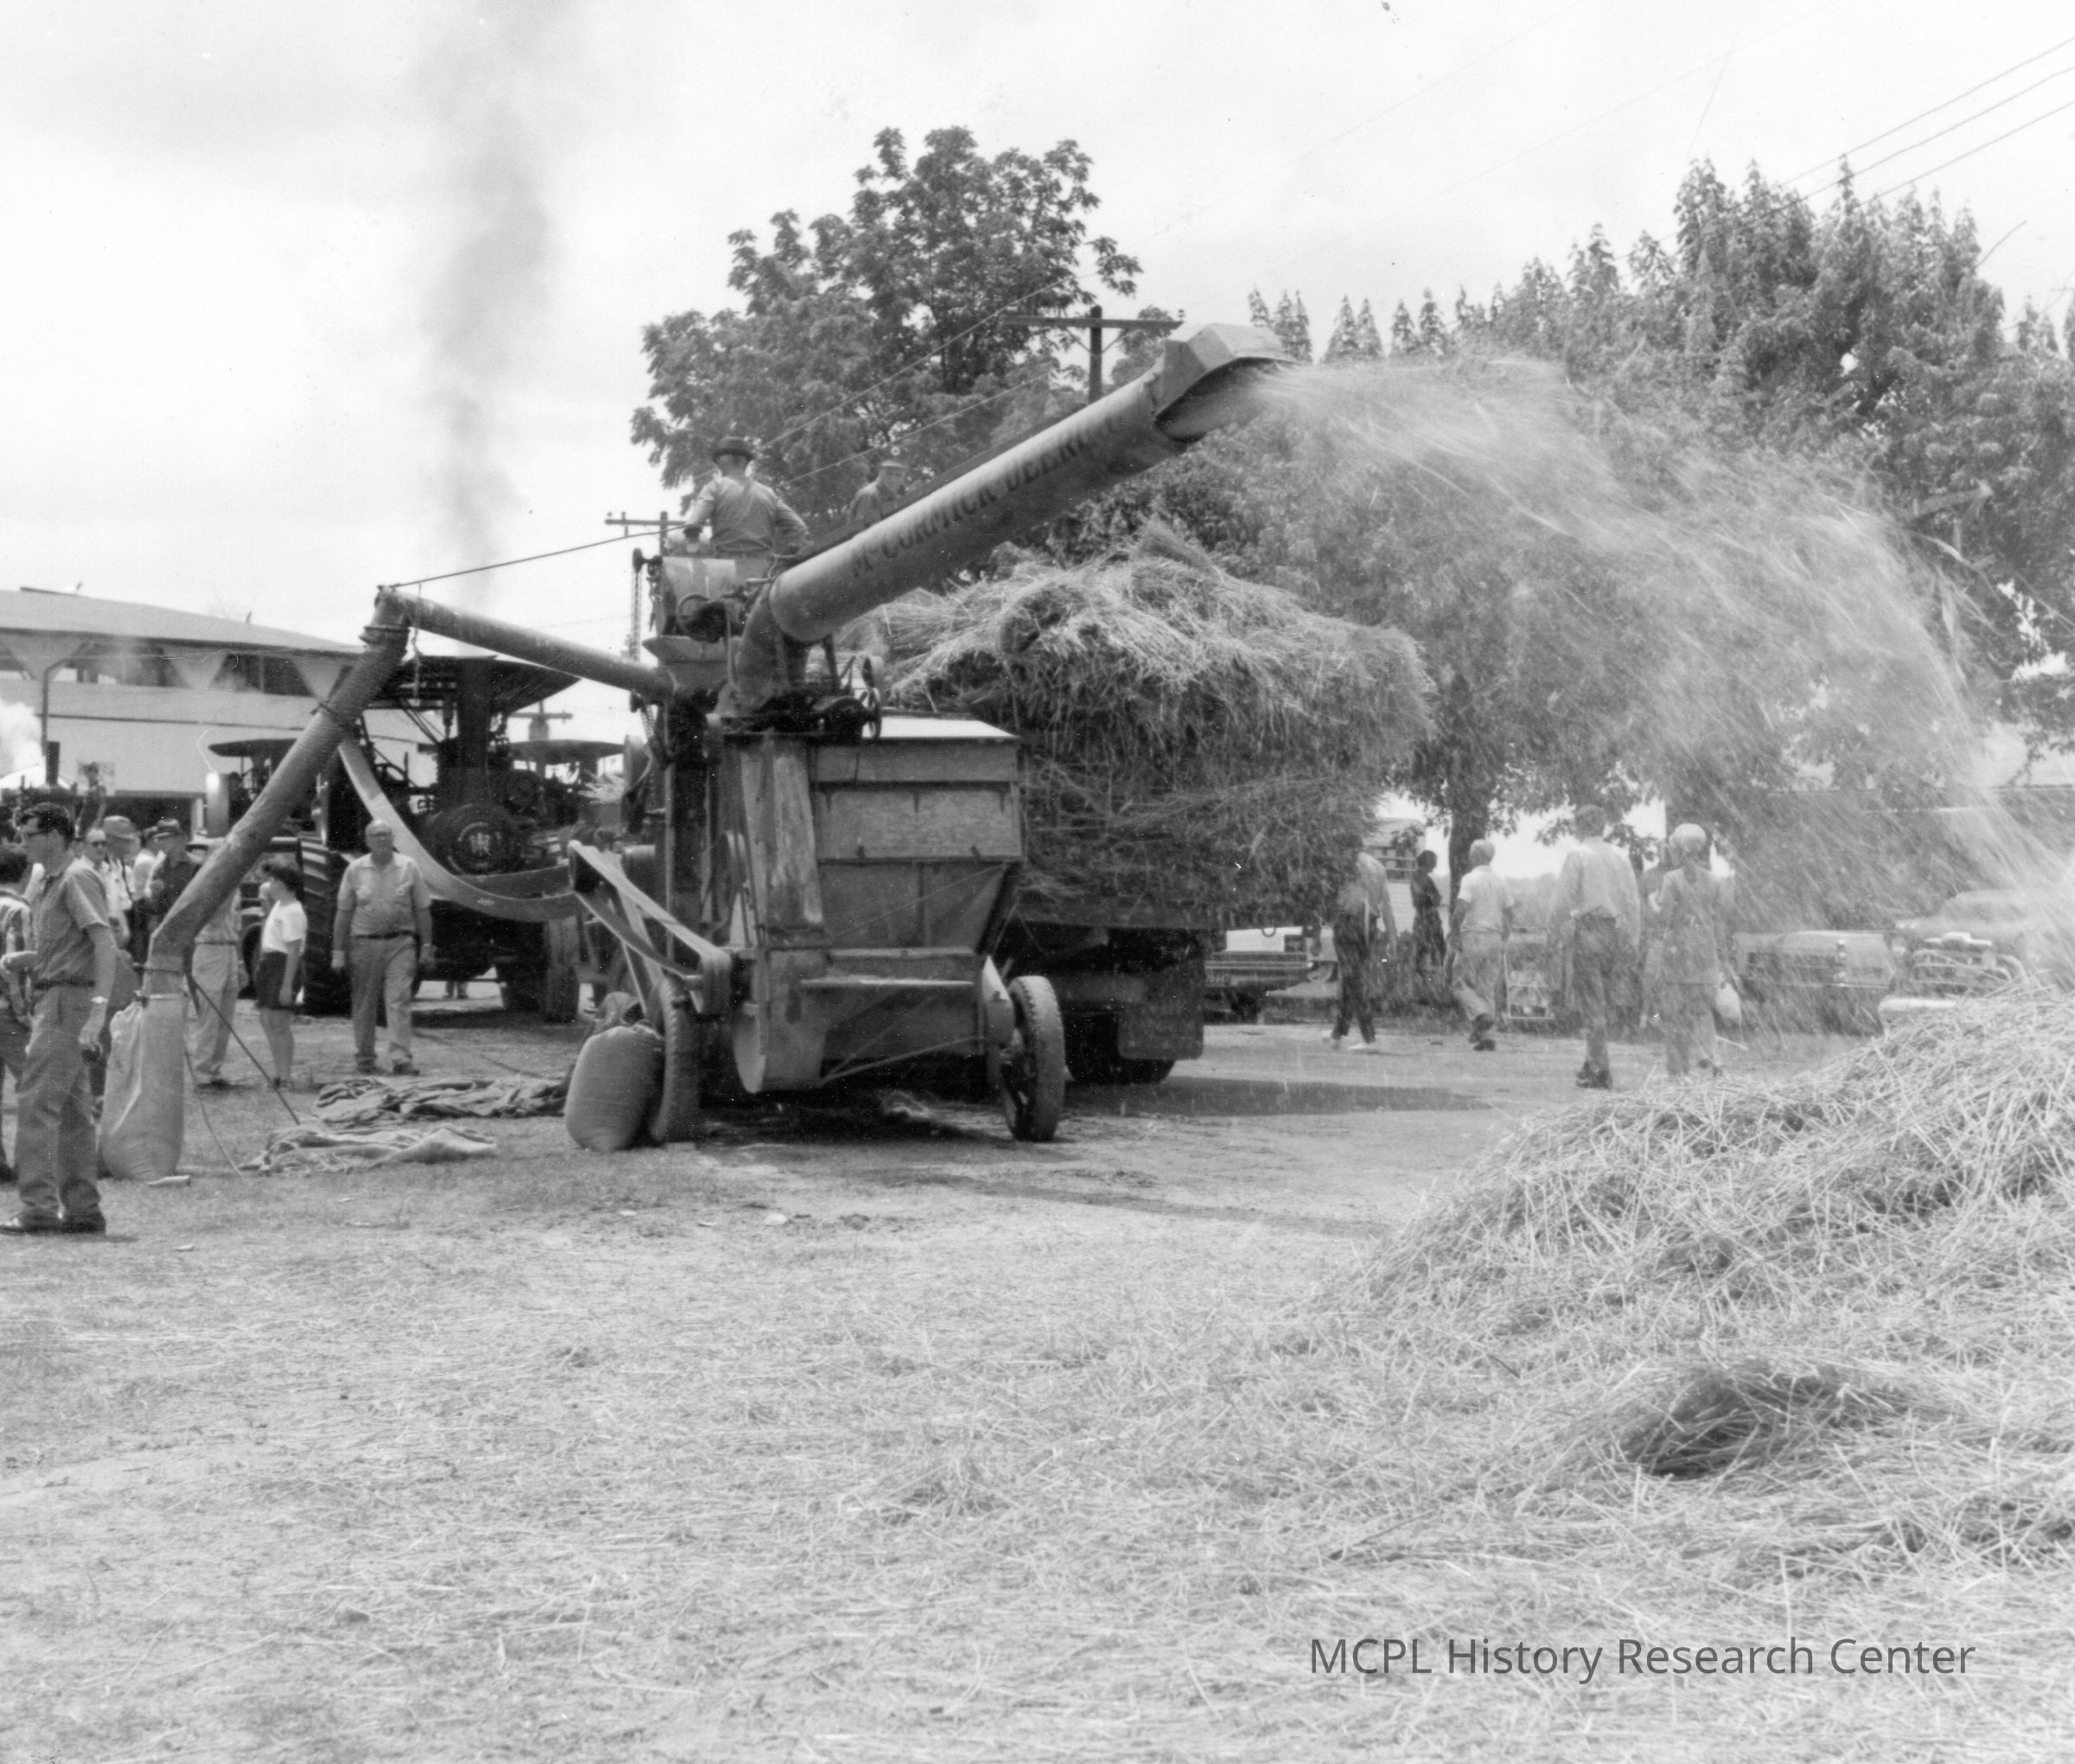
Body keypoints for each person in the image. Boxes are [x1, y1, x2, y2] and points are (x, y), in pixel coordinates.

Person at [1, 803, 117, 1237]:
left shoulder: (75, 878)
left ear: (54, 836)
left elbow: (104, 943)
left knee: (36, 1102)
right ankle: (83, 1208)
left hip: (68, 1001)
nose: (23, 842)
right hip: (58, 994)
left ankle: (38, 1208)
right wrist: (31, 958)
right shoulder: (52, 881)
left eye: (29, 834)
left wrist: (98, 1010)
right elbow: (76, 945)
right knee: (70, 1108)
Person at [332, 821, 435, 1076]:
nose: (381, 838)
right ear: (367, 840)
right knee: (364, 1003)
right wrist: (338, 953)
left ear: (393, 838)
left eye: (385, 834)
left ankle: (401, 1059)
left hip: (401, 944)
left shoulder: (409, 867)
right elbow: (343, 913)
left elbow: (422, 910)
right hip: (363, 944)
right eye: (375, 835)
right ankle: (365, 1058)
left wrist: (427, 947)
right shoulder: (355, 870)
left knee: (399, 1000)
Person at [1552, 803, 1642, 1091]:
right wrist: (1634, 938)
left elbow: (1562, 901)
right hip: (1613, 932)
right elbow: (1632, 901)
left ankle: (1600, 1069)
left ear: (1581, 826)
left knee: (1591, 1004)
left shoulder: (1578, 855)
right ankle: (1592, 1061)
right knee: (1603, 1002)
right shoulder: (1620, 855)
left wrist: (1554, 932)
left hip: (1588, 930)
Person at [676, 438, 810, 581]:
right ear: (745, 462)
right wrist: (791, 553)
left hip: (726, 570)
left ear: (721, 461)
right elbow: (799, 528)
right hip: (765, 571)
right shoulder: (768, 493)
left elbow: (694, 524)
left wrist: (692, 546)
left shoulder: (714, 488)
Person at [1657, 823, 1729, 1077]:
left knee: (1675, 1015)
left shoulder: (1672, 879)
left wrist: (1652, 904)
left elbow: (1665, 917)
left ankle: (1678, 1072)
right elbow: (1719, 922)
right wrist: (1723, 958)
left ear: (1678, 848)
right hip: (1705, 953)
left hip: (1679, 953)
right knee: (1702, 1012)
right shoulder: (1715, 881)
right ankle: (1714, 1060)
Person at [1322, 854, 1394, 1056]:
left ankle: (1369, 1038)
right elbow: (1386, 904)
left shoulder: (1345, 861)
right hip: (1368, 925)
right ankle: (1337, 1033)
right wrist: (1392, 935)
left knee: (1353, 979)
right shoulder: (1377, 865)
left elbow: (1332, 895)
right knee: (1350, 977)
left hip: (1349, 922)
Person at [187, 840, 243, 1088]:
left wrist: (240, 961)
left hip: (229, 948)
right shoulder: (208, 882)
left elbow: (236, 926)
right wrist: (230, 885)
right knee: (210, 1014)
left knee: (226, 1014)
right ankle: (202, 1071)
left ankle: (215, 1069)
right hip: (209, 950)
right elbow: (216, 918)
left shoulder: (234, 885)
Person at [1449, 839, 1510, 1051]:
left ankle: (1481, 1016)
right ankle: (1488, 1038)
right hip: (1495, 937)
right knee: (1486, 988)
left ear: (1475, 856)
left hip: (1474, 935)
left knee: (1459, 984)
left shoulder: (1470, 879)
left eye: (1470, 853)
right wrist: (1505, 936)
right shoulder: (1501, 881)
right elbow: (1509, 912)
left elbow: (1461, 907)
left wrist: (1454, 931)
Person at [253, 857, 306, 1090]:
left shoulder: (293, 910)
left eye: (272, 880)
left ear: (281, 884)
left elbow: (294, 950)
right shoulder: (279, 905)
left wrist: (287, 985)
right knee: (267, 1020)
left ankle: (286, 1077)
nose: (268, 885)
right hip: (270, 964)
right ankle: (277, 1072)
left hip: (282, 966)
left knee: (279, 1024)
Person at [0, 846, 33, 1185]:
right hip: (7, 1013)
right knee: (31, 1088)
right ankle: (30, 1164)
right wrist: (24, 1015)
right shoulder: (17, 909)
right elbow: (13, 969)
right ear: (25, 873)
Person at [844, 452, 910, 527]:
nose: (893, 479)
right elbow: (863, 530)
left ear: (903, 477)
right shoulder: (870, 495)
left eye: (898, 475)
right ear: (881, 472)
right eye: (889, 474)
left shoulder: (892, 494)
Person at [1410, 851, 1447, 980]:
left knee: (1421, 950)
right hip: (1429, 918)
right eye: (1434, 862)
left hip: (1421, 917)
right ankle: (1433, 978)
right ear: (1428, 862)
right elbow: (1436, 899)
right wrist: (1434, 900)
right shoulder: (1425, 879)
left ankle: (1421, 978)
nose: (1436, 865)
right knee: (1437, 949)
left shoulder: (1416, 876)